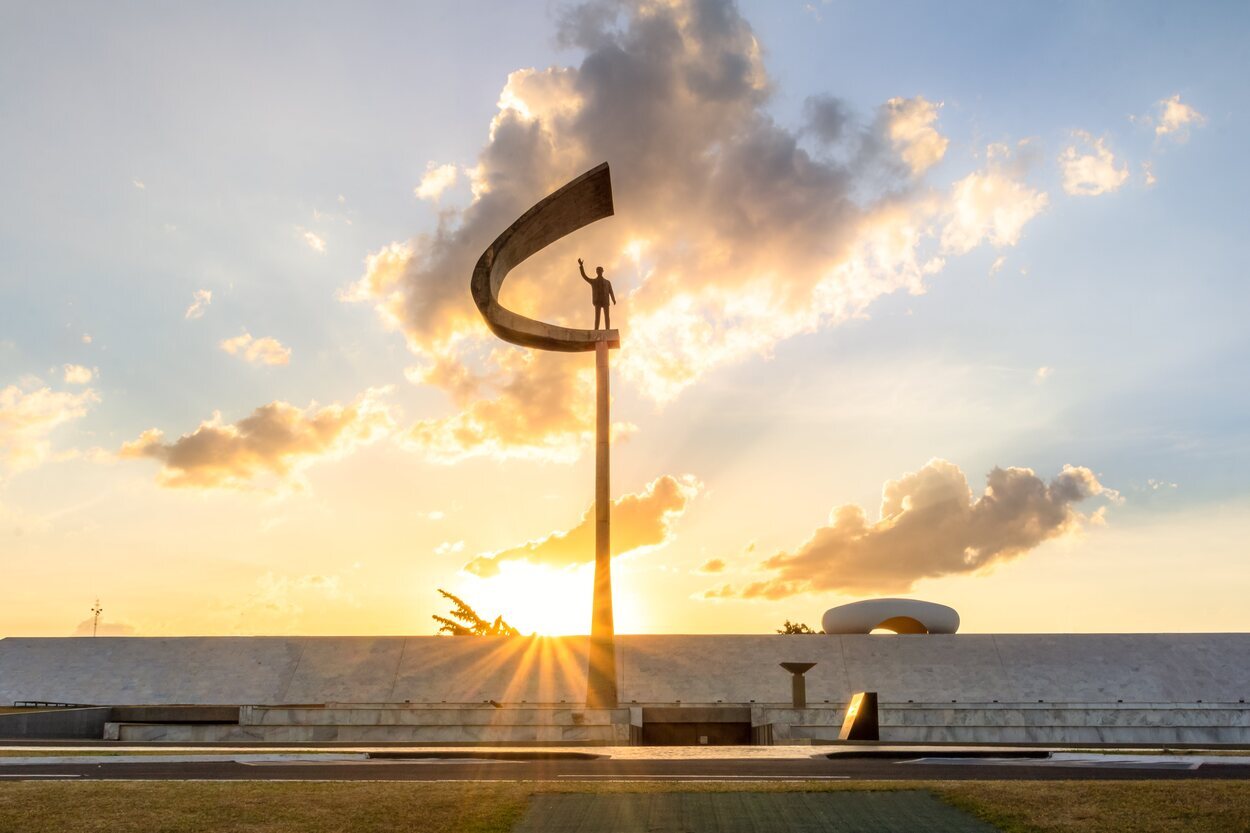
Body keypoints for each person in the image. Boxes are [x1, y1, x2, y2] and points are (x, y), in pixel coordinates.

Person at [578, 257, 616, 330]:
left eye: (600, 270)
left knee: (607, 317)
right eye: (598, 270)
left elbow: (611, 291)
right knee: (597, 317)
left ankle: (607, 329)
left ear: (602, 271)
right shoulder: (593, 281)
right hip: (597, 301)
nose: (599, 271)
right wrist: (581, 266)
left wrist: (613, 299)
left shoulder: (607, 282)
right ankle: (596, 330)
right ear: (596, 272)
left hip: (605, 301)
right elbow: (585, 277)